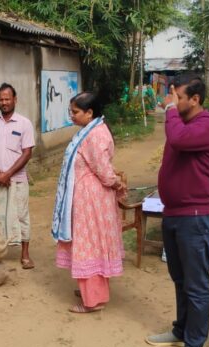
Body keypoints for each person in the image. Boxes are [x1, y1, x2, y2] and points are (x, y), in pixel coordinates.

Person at [145, 76, 209, 347]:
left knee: (196, 285)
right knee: (180, 280)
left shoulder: (207, 125)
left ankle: (194, 346)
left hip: (197, 217)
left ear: (195, 99)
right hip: (175, 213)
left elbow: (177, 139)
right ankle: (180, 331)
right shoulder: (183, 124)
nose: (172, 101)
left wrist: (168, 112)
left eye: (177, 96)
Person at [52, 91, 126, 313]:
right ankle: (91, 290)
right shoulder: (91, 131)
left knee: (88, 245)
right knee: (90, 243)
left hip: (91, 199)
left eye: (75, 112)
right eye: (70, 111)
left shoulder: (95, 135)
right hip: (88, 197)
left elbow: (103, 170)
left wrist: (116, 183)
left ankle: (92, 300)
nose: (71, 116)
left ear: (89, 113)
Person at [0, 83, 36, 269]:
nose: (3, 102)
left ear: (15, 100)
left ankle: (25, 254)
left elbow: (27, 153)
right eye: (0, 99)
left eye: (7, 99)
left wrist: (8, 174)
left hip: (17, 180)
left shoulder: (24, 123)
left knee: (21, 215)